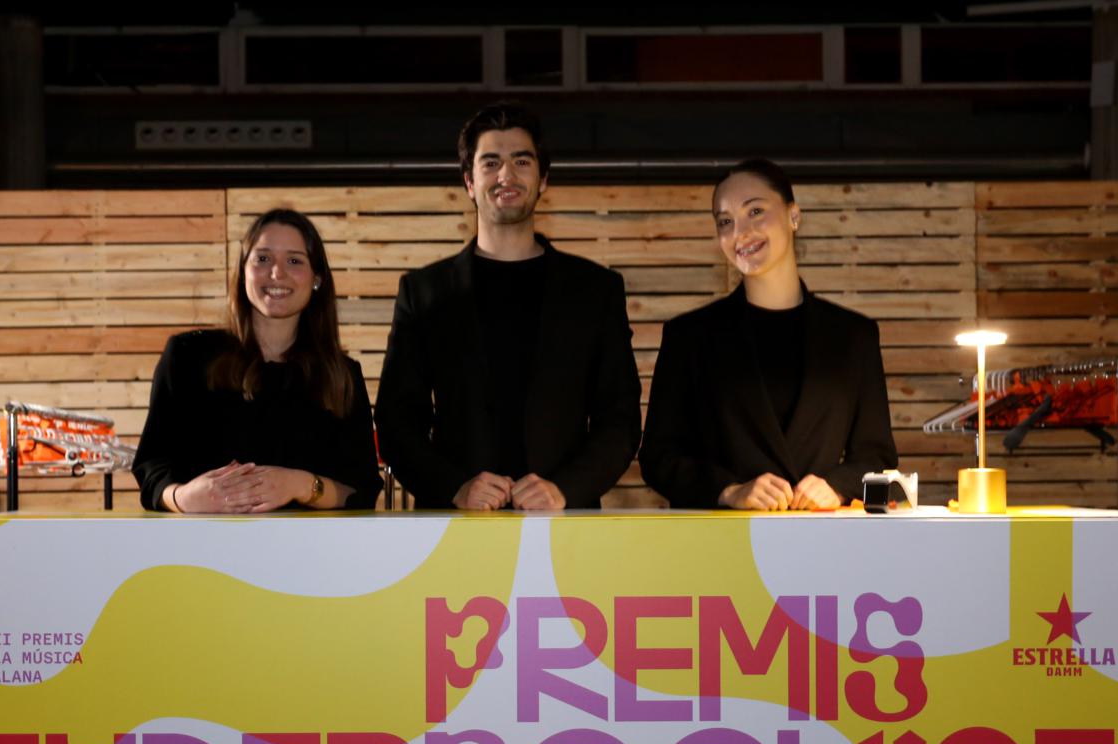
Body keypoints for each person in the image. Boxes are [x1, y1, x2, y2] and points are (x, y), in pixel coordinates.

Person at [374, 102, 641, 510]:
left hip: (564, 525)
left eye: (521, 161)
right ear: (469, 182)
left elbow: (620, 421)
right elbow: (397, 423)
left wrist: (564, 489)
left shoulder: (596, 290)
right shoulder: (424, 293)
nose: (506, 175)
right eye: (491, 163)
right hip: (455, 526)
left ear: (543, 178)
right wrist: (455, 487)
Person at [639, 159, 898, 511]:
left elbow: (877, 456)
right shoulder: (689, 337)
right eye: (725, 221)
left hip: (824, 537)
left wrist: (837, 486)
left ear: (794, 216)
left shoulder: (854, 337)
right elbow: (659, 457)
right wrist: (729, 490)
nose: (740, 232)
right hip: (723, 539)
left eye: (755, 211)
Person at [132, 208, 381, 513]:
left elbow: (362, 490)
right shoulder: (186, 356)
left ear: (317, 279)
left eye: (294, 261)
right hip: (201, 543)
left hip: (309, 544)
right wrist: (184, 498)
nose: (276, 273)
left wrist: (301, 485)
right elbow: (152, 467)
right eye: (262, 259)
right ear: (243, 272)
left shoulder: (342, 375)